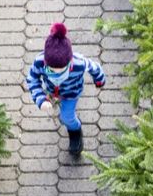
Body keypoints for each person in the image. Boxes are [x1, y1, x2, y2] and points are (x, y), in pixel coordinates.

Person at [26, 23, 105, 155]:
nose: (57, 73)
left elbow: (95, 68)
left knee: (66, 117)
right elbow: (32, 78)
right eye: (52, 70)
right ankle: (61, 109)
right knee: (60, 110)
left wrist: (99, 80)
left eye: (62, 69)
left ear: (69, 61)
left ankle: (75, 131)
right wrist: (40, 99)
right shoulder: (39, 62)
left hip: (71, 94)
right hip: (51, 91)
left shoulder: (79, 63)